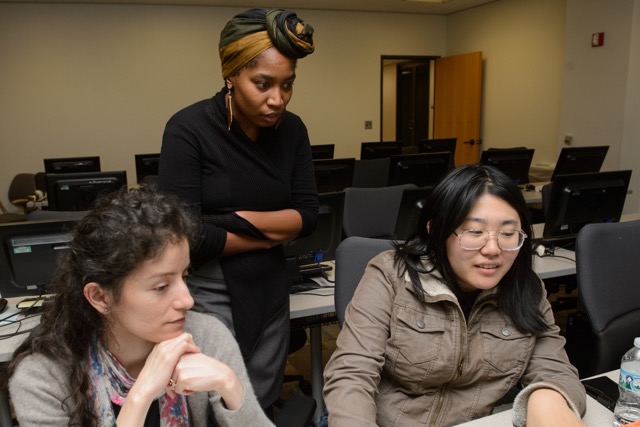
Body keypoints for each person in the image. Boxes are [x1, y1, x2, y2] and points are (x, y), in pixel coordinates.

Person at [323, 164, 587, 427]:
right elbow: (352, 374)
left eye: (508, 234)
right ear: (436, 230)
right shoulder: (391, 274)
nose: (493, 249)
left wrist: (547, 397)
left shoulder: (526, 288)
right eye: (474, 232)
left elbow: (556, 370)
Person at [157, 8, 319, 410]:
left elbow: (309, 216)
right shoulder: (188, 129)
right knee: (209, 402)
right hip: (208, 291)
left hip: (271, 288)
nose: (277, 99)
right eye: (262, 84)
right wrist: (271, 235)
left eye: (287, 85)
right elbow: (185, 236)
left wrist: (226, 225)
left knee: (259, 399)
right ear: (231, 74)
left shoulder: (293, 130)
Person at [3, 188, 272, 426]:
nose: (188, 300)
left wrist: (230, 386)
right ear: (100, 297)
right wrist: (141, 396)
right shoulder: (42, 375)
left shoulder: (206, 336)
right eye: (161, 287)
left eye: (185, 275)